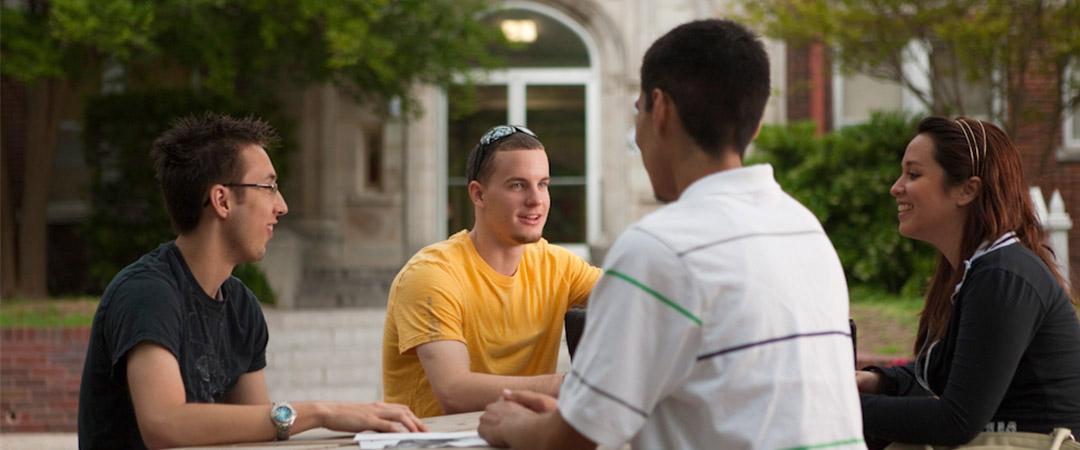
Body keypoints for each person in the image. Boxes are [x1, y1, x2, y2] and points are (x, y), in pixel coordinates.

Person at [477, 19, 865, 450]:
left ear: (659, 110)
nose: (636, 137)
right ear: (753, 125)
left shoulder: (657, 248)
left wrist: (511, 425)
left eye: (637, 111)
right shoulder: (804, 229)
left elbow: (574, 439)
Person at [78, 114, 425, 450]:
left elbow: (258, 436)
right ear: (222, 200)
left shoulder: (240, 306)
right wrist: (321, 412)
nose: (282, 206)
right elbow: (164, 424)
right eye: (269, 187)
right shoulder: (147, 293)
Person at [856, 117, 1080, 447]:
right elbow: (953, 378)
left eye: (914, 174)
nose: (896, 187)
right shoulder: (975, 270)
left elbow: (955, 420)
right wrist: (878, 381)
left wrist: (834, 406)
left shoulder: (1002, 276)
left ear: (967, 190)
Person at [381, 125, 602, 418]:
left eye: (543, 184)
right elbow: (455, 392)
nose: (536, 199)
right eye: (517, 185)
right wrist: (578, 385)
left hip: (519, 437)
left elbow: (643, 297)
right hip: (434, 441)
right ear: (479, 194)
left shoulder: (558, 265)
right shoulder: (431, 275)